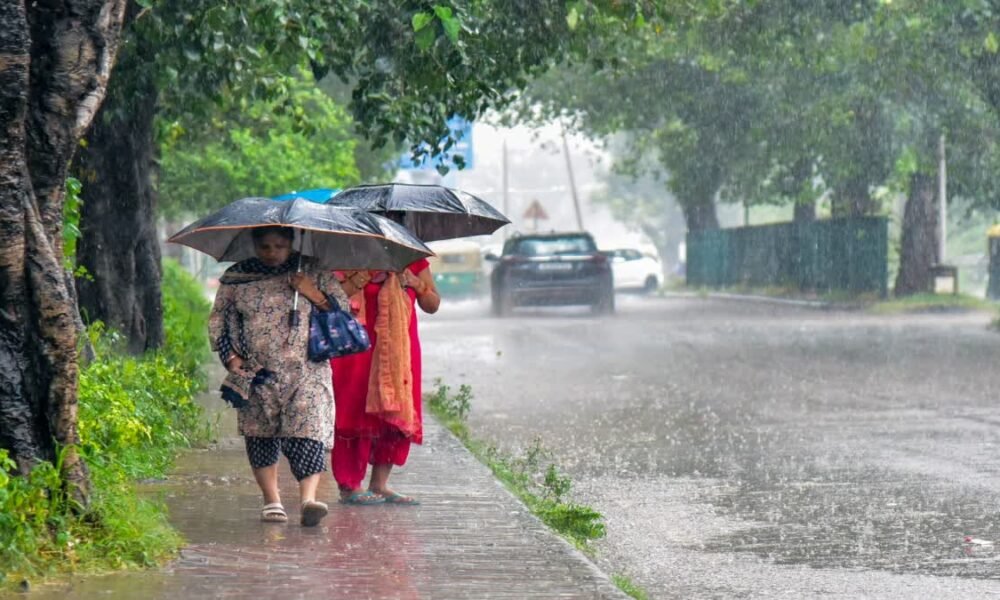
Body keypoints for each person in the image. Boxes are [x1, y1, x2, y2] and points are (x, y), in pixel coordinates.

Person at [208, 226, 350, 526]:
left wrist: (311, 292)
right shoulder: (238, 276)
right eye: (265, 247)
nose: (272, 253)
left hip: (307, 370)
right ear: (254, 245)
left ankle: (309, 500)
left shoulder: (313, 271)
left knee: (308, 432)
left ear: (292, 243)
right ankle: (272, 501)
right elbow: (220, 317)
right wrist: (231, 357)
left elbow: (343, 312)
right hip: (256, 372)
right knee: (260, 436)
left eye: (279, 246)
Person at [331, 256, 440, 505]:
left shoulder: (413, 260)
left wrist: (415, 283)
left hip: (399, 351)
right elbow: (332, 298)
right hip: (356, 346)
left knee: (396, 410)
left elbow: (432, 304)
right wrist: (363, 275)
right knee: (354, 410)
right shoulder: (349, 254)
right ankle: (350, 485)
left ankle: (380, 484)